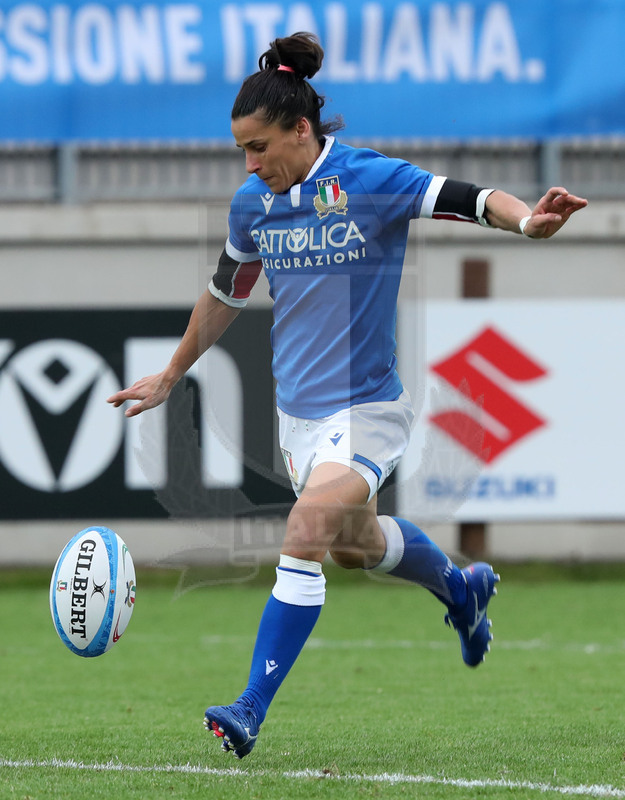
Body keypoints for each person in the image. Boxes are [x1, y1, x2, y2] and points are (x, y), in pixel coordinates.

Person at [107, 32, 588, 759]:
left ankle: (248, 709)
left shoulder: (369, 180)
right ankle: (461, 592)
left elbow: (470, 198)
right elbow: (225, 292)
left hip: (368, 409)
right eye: (242, 149)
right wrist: (172, 373)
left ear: (301, 130)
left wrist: (527, 221)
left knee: (304, 532)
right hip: (298, 418)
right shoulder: (252, 205)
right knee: (357, 547)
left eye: (260, 146)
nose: (250, 163)